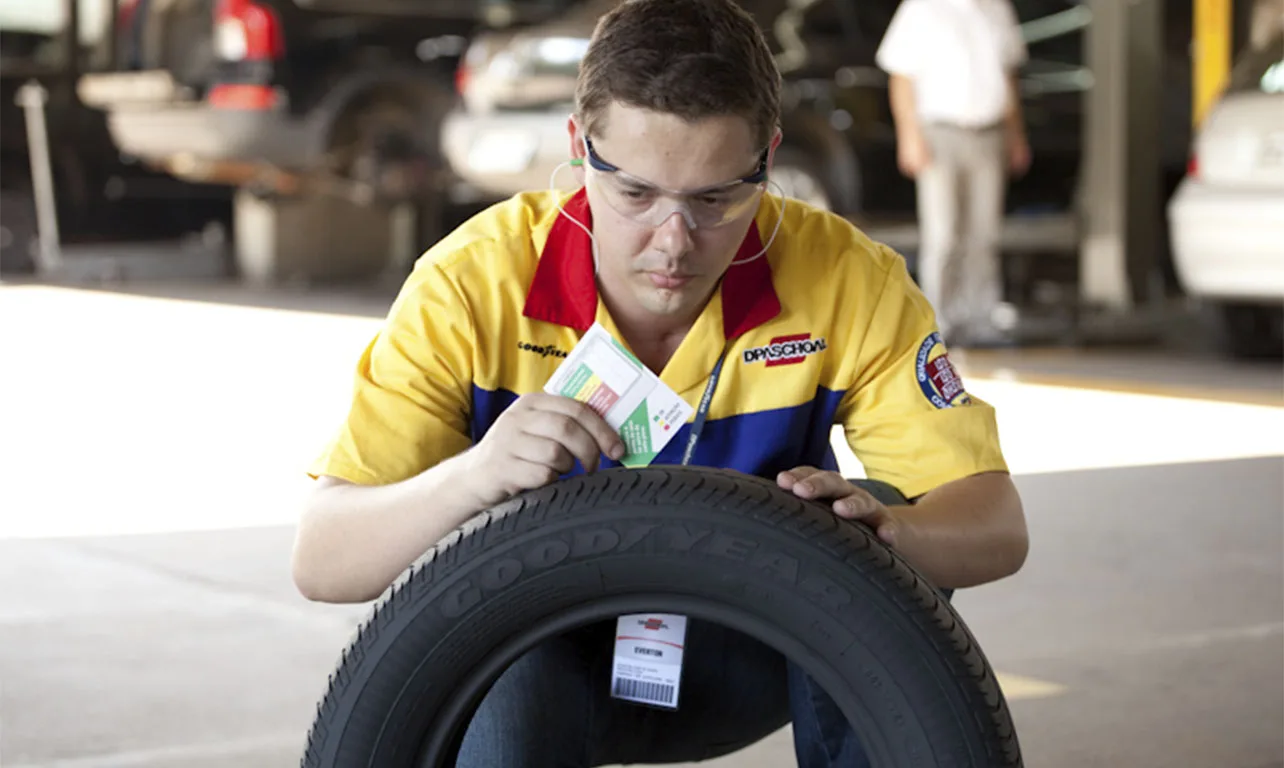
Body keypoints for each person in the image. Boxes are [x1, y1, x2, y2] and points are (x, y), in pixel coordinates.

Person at [292, 0, 1028, 765]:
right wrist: (472, 480)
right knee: (499, 640)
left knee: (887, 566)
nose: (673, 244)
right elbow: (323, 559)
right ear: (579, 149)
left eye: (715, 199)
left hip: (766, 643)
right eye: (635, 195)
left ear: (767, 161)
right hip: (545, 658)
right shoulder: (471, 284)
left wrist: (884, 535)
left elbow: (995, 523)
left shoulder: (846, 278)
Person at [875, 0, 1032, 346]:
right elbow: (902, 77)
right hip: (939, 133)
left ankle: (981, 318)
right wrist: (909, 135)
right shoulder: (922, 8)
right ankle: (939, 320)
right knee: (944, 234)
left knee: (984, 234)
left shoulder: (997, 8)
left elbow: (1008, 76)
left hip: (989, 132)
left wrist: (1016, 134)